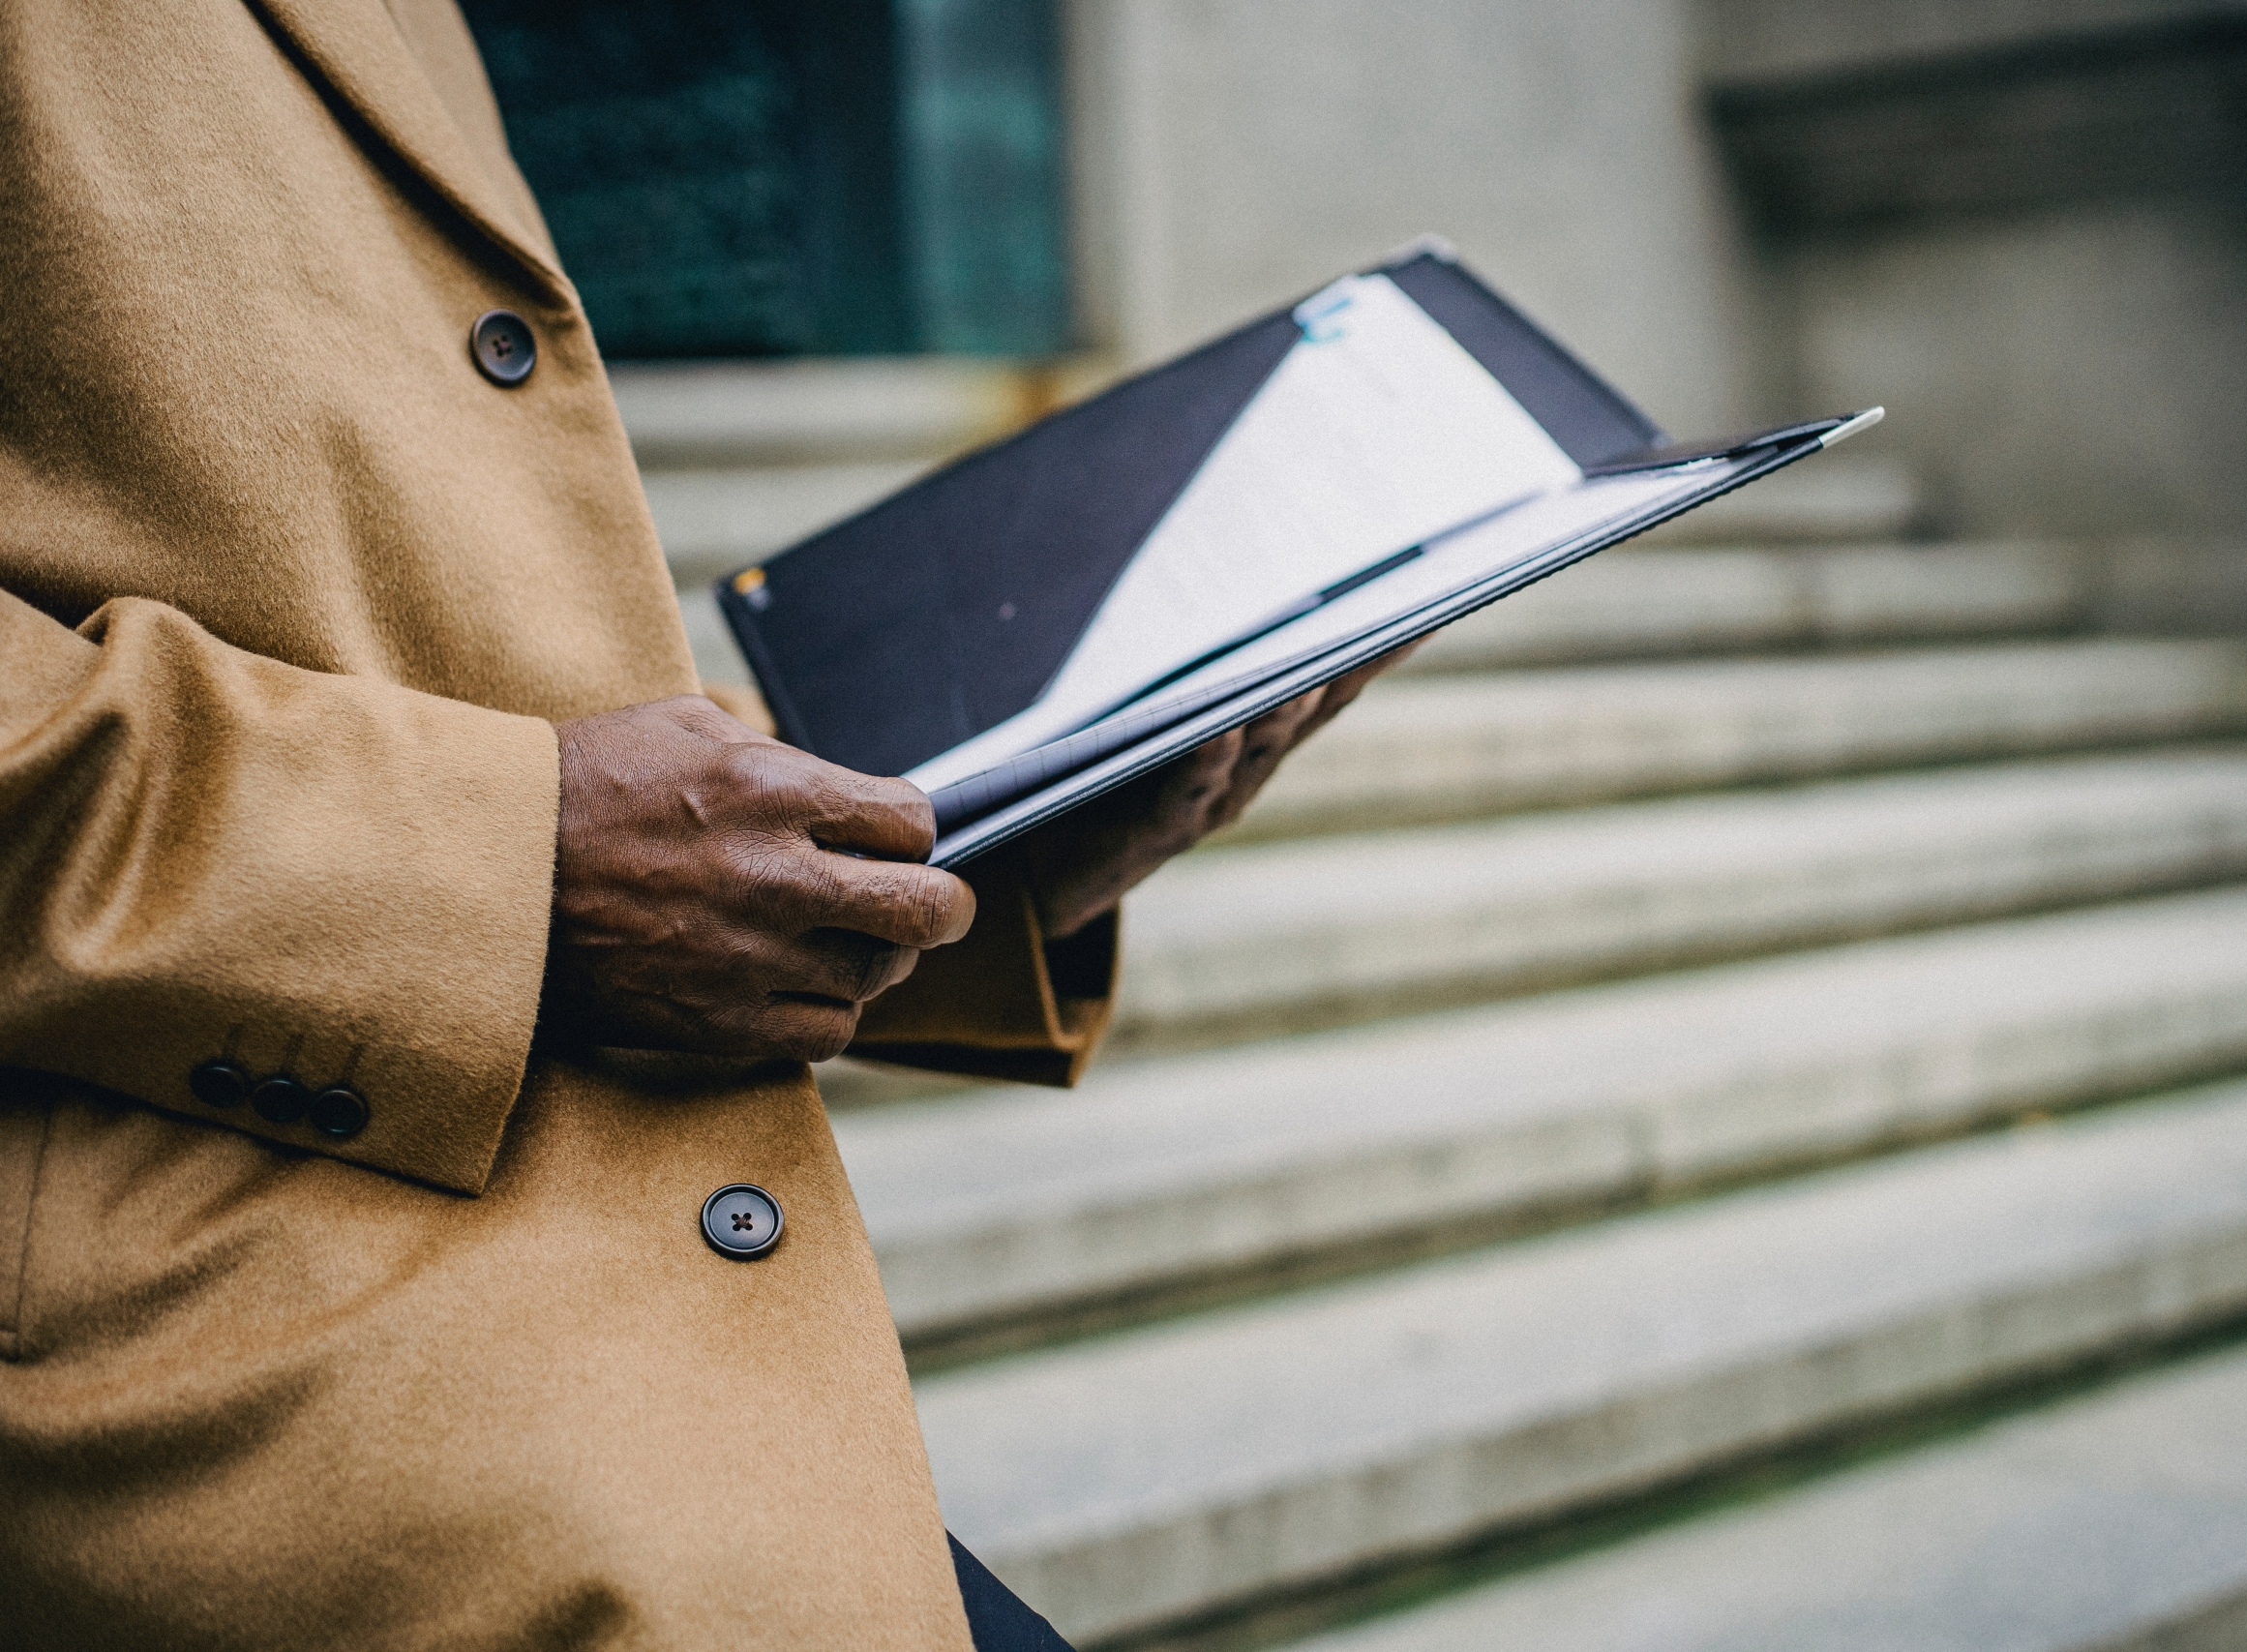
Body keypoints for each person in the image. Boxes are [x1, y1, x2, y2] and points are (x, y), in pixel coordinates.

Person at [0, 3, 1392, 1646]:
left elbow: (419, 644)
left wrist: (961, 849)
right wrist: (504, 870)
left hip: (542, 1348)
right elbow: (531, 813)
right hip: (201, 1341)